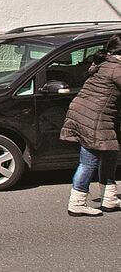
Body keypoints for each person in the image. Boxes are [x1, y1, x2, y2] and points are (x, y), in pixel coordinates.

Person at [60, 35, 121, 217]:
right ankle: (77, 203)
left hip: (90, 115)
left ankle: (109, 198)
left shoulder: (105, 63)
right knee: (89, 161)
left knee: (110, 152)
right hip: (93, 118)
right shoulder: (116, 68)